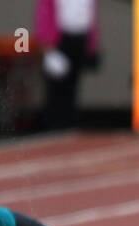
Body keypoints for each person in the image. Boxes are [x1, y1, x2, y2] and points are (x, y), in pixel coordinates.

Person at [35, 0, 102, 130]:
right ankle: (54, 125)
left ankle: (69, 124)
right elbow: (44, 13)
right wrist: (48, 47)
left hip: (80, 38)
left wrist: (93, 44)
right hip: (59, 39)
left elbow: (91, 16)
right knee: (57, 87)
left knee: (73, 84)